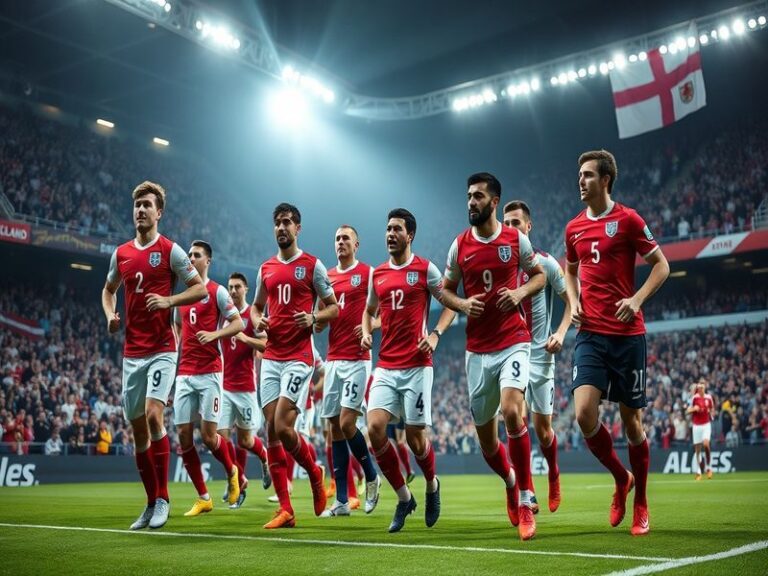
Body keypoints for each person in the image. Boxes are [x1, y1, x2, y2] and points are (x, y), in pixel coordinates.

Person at [565, 150, 669, 536]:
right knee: (584, 414)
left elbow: (663, 265)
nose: (581, 180)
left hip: (628, 336)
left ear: (605, 179)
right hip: (590, 334)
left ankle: (641, 500)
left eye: (589, 175)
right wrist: (574, 302)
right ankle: (620, 477)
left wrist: (637, 299)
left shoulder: (627, 220)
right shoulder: (573, 227)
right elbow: (569, 269)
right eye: (580, 174)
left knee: (631, 422)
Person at [441, 173, 546, 541]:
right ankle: (510, 480)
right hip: (477, 351)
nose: (471, 202)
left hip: (514, 340)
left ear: (494, 201)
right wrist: (461, 303)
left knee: (513, 409)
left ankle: (527, 499)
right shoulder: (459, 246)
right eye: (468, 196)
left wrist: (519, 295)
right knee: (487, 442)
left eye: (478, 196)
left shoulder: (515, 239)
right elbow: (445, 291)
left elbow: (539, 276)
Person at [101, 181, 206, 530]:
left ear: (159, 212)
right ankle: (149, 503)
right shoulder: (122, 254)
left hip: (162, 348)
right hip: (132, 352)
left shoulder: (171, 250)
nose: (141, 210)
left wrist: (169, 301)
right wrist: (110, 315)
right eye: (137, 205)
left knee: (153, 414)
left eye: (147, 205)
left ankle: (163, 499)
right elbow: (108, 289)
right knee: (137, 430)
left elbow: (200, 288)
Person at [362, 208, 454, 533]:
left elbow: (450, 304)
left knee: (416, 440)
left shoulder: (425, 269)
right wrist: (364, 330)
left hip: (417, 365)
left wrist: (435, 334)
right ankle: (404, 498)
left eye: (396, 229)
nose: (390, 234)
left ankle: (431, 485)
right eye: (387, 229)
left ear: (409, 234)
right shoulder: (378, 274)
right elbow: (369, 311)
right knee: (374, 429)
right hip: (386, 364)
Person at [250, 202, 339, 529]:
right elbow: (255, 308)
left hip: (299, 357)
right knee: (271, 429)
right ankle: (286, 510)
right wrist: (259, 322)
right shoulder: (265, 269)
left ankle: (314, 473)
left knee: (284, 428)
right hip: (271, 358)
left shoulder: (313, 266)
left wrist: (314, 316)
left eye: (287, 222)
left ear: (297, 228)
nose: (282, 227)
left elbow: (334, 308)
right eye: (277, 223)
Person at [503, 199, 571, 514]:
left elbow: (572, 298)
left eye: (516, 223)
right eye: (507, 223)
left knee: (543, 430)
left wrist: (560, 332)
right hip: (509, 354)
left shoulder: (546, 263)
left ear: (528, 227)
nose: (511, 228)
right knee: (514, 418)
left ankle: (553, 473)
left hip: (541, 355)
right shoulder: (499, 268)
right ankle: (524, 493)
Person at [173, 240, 245, 517]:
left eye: (197, 255)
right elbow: (178, 336)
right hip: (184, 374)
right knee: (182, 436)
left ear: (208, 261)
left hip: (211, 373)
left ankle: (232, 470)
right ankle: (203, 497)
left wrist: (215, 335)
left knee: (209, 436)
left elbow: (238, 323)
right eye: (189, 255)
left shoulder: (217, 292)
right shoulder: (181, 299)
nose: (191, 258)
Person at [314, 225, 382, 517]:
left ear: (357, 244)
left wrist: (370, 326)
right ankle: (341, 500)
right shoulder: (326, 276)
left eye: (345, 238)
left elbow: (384, 314)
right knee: (333, 427)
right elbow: (320, 318)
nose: (340, 242)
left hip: (358, 358)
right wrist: (313, 321)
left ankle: (371, 474)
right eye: (337, 238)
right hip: (334, 358)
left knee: (346, 422)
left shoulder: (368, 274)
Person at [219, 272, 271, 509]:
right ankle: (238, 481)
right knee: (220, 436)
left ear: (246, 289)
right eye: (230, 287)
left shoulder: (252, 315)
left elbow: (264, 344)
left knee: (246, 440)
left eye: (237, 287)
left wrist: (244, 338)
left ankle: (264, 457)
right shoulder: (224, 315)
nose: (232, 291)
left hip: (246, 387)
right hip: (224, 385)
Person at [686, 379, 715, 480]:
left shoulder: (709, 398)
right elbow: (688, 410)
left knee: (706, 444)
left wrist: (711, 413)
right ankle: (698, 471)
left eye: (702, 387)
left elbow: (712, 410)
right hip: (696, 426)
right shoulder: (695, 398)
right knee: (697, 450)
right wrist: (694, 409)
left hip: (706, 425)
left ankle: (709, 468)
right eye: (699, 388)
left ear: (705, 387)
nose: (700, 389)